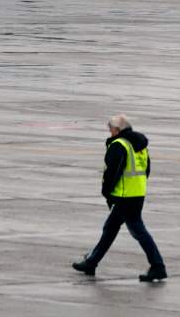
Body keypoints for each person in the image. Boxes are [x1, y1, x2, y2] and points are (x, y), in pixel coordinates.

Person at [73, 114, 167, 282]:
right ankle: (91, 262)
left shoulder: (119, 145)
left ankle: (158, 266)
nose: (109, 132)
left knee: (137, 230)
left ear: (117, 130)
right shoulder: (140, 144)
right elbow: (146, 170)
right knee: (111, 228)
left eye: (111, 128)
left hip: (124, 196)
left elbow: (112, 172)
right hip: (137, 193)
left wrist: (107, 192)